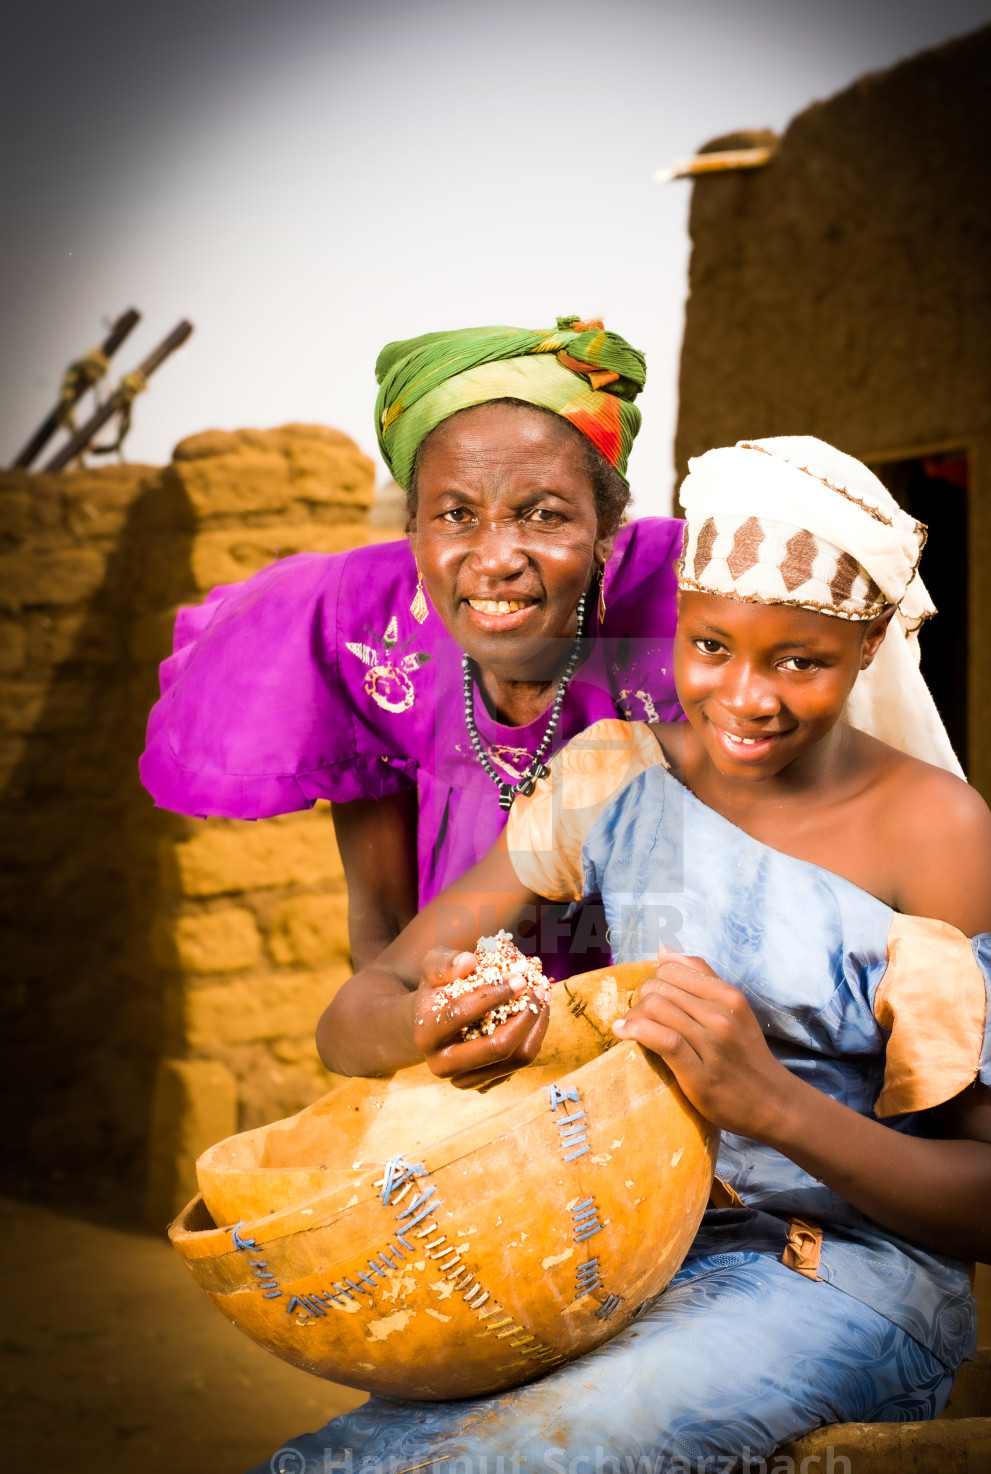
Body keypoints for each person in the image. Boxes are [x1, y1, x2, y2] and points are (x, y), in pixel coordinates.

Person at [224, 438, 991, 1474]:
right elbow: (355, 1013)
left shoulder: (932, 828)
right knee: (322, 1472)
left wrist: (770, 1102)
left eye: (801, 660)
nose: (745, 698)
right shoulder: (616, 775)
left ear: (872, 642)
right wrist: (442, 1015)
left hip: (846, 1284)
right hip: (626, 1251)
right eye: (711, 645)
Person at [140, 316, 684, 978]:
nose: (497, 559)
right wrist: (424, 1038)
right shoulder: (370, 641)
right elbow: (383, 933)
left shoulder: (685, 613)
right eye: (455, 515)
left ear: (604, 534)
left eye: (543, 514)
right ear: (413, 532)